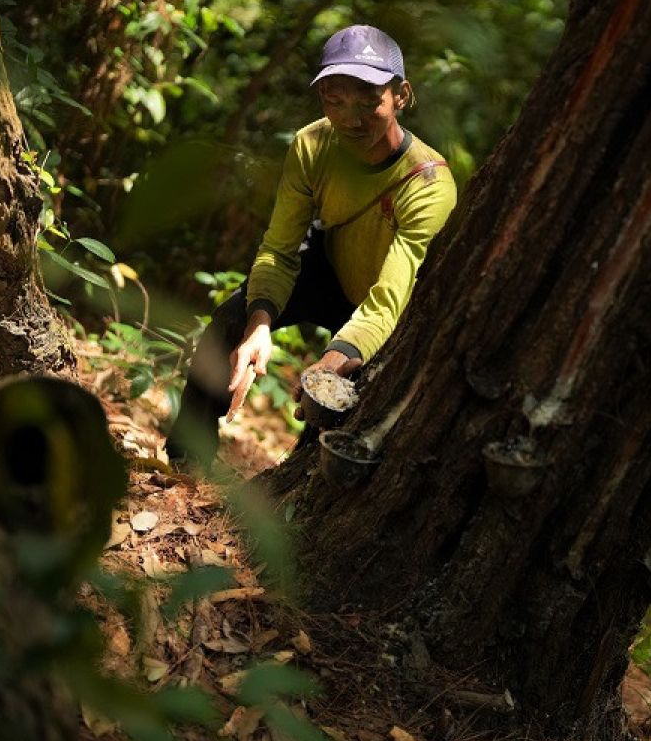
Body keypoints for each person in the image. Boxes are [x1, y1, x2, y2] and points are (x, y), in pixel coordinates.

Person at [165, 25, 457, 471]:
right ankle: (187, 463)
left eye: (368, 102)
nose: (351, 119)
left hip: (385, 306)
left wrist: (337, 358)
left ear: (400, 96)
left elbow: (388, 300)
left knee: (336, 402)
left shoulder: (429, 185)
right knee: (230, 322)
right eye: (334, 102)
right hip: (328, 269)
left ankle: (293, 493)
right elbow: (280, 249)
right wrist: (259, 324)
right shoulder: (313, 144)